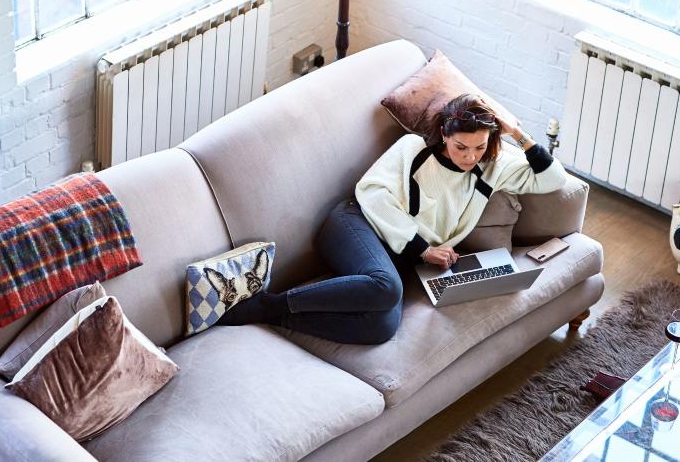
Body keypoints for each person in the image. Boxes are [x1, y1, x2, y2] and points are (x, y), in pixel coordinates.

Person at [218, 93, 569, 344]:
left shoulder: (492, 165)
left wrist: (516, 133)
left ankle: (277, 317)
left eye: (479, 147)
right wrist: (423, 249)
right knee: (387, 287)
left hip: (396, 255)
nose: (470, 156)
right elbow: (372, 193)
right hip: (356, 224)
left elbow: (554, 180)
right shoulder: (413, 149)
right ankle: (269, 302)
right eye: (461, 147)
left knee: (380, 329)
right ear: (445, 134)